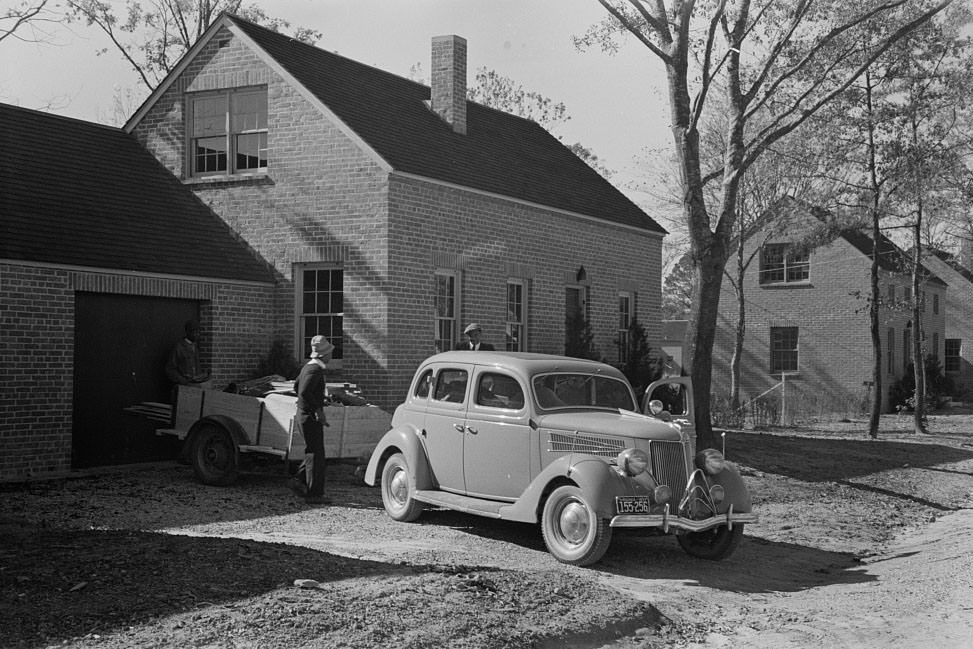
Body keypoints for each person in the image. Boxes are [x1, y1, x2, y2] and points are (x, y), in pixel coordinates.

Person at [290, 335, 334, 505]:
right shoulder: (315, 369)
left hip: (303, 414)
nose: (331, 356)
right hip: (309, 416)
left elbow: (296, 386)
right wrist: (317, 410)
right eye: (330, 352)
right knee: (316, 454)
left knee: (312, 452)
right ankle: (314, 495)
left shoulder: (308, 367)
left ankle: (298, 481)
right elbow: (303, 392)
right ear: (323, 355)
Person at [165, 320, 210, 397]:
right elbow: (170, 369)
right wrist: (183, 381)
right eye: (195, 332)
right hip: (184, 388)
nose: (197, 335)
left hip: (196, 387)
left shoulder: (195, 347)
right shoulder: (179, 347)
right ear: (188, 332)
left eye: (199, 332)